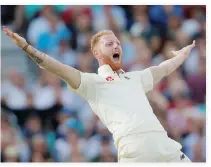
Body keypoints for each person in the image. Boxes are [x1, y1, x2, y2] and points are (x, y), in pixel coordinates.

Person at [3, 26, 195, 162]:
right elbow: (57, 68)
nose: (116, 46)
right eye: (109, 43)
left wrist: (182, 56)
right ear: (96, 53)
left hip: (164, 144)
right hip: (135, 149)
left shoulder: (136, 78)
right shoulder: (92, 83)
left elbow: (163, 68)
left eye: (118, 43)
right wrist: (27, 48)